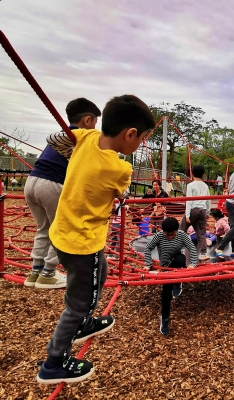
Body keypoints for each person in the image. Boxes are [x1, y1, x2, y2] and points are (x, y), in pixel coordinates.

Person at [36, 94, 155, 385]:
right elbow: (121, 193)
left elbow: (56, 137)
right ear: (129, 134)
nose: (141, 144)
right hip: (82, 242)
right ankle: (54, 363)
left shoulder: (86, 137)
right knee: (78, 302)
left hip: (63, 233)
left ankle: (84, 323)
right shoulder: (120, 168)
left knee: (99, 274)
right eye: (143, 138)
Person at [24, 98, 101, 289]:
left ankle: (35, 271)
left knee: (44, 228)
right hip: (53, 183)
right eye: (95, 123)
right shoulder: (82, 137)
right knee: (61, 229)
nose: (95, 128)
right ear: (87, 120)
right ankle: (49, 273)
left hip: (32, 181)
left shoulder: (62, 135)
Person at [144, 217, 197, 335]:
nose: (170, 237)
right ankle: (165, 319)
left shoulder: (182, 235)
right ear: (163, 232)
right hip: (165, 267)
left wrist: (193, 264)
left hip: (177, 265)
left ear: (177, 231)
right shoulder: (159, 236)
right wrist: (148, 264)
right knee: (166, 293)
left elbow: (192, 248)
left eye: (173, 234)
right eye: (167, 235)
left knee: (181, 258)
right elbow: (148, 248)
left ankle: (178, 282)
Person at [180, 165, 211, 261]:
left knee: (181, 229)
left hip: (193, 209)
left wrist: (188, 214)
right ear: (203, 174)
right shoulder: (205, 186)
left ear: (192, 174)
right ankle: (203, 254)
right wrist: (208, 212)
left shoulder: (190, 185)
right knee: (201, 232)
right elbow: (208, 200)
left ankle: (179, 249)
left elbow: (189, 200)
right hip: (203, 210)